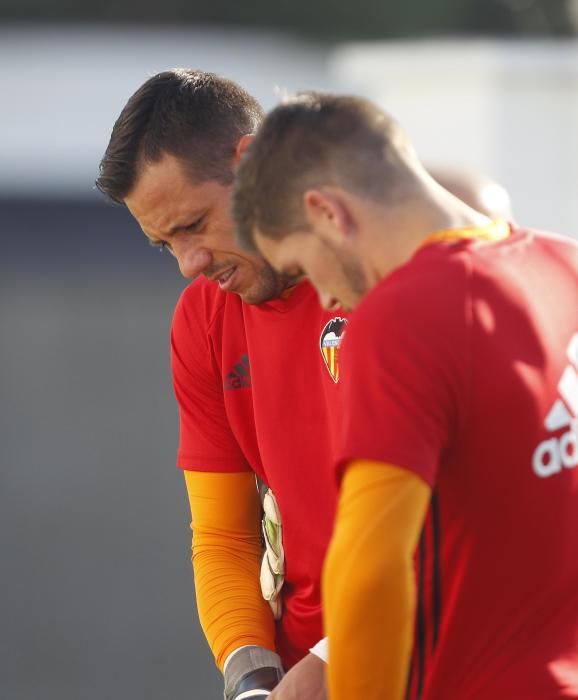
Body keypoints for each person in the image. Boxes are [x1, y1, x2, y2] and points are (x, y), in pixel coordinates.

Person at [97, 71, 514, 700]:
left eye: (193, 224)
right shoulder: (202, 320)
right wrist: (254, 682)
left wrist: (326, 667)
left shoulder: (408, 276)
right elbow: (222, 535)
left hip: (444, 660)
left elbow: (464, 516)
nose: (190, 263)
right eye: (165, 245)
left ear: (251, 163)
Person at [233, 92, 578, 700]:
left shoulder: (403, 319)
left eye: (305, 268)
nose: (328, 300)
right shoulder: (564, 263)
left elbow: (369, 575)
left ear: (327, 212)